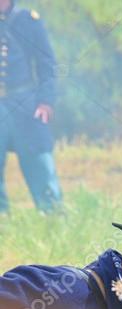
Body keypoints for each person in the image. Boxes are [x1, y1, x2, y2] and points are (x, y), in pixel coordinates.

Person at [0, 0, 61, 213]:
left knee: (39, 160)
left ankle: (51, 214)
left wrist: (46, 101)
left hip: (25, 103)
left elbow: (48, 65)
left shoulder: (28, 21)